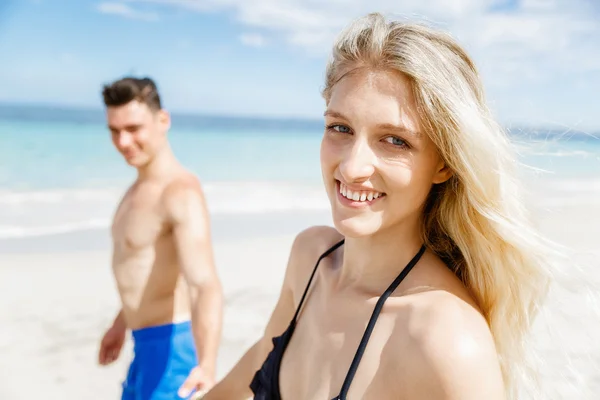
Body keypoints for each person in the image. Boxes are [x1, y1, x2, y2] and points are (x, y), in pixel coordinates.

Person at [197, 12, 557, 400]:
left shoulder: (447, 342)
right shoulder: (311, 258)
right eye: (340, 128)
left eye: (395, 141)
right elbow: (249, 371)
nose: (352, 167)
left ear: (443, 163)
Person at [97, 77, 224, 400]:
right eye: (114, 130)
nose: (123, 141)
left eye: (134, 128)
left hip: (172, 350)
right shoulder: (135, 192)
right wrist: (120, 323)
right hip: (142, 346)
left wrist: (207, 365)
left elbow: (204, 284)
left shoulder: (180, 192)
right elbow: (144, 270)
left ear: (162, 120)